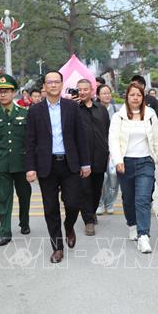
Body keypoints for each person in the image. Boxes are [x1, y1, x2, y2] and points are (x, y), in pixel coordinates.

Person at [25, 71, 90, 263]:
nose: (53, 85)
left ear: (62, 85)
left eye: (56, 82)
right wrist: (30, 167)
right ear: (44, 86)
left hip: (70, 164)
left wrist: (85, 163)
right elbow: (30, 141)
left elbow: (80, 136)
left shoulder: (72, 107)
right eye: (49, 82)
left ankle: (69, 226)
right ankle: (57, 247)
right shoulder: (35, 110)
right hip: (47, 165)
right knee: (50, 208)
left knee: (73, 203)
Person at [109, 82, 158, 253]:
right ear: (127, 96)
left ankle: (143, 236)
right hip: (125, 163)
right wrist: (118, 160)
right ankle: (132, 224)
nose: (135, 98)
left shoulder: (150, 115)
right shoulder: (118, 117)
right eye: (132, 94)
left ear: (143, 97)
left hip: (145, 162)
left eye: (139, 95)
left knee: (143, 199)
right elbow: (113, 140)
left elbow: (157, 138)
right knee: (128, 199)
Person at [0, 74, 32, 246]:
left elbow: (30, 141)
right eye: (0, 92)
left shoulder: (25, 113)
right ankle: (5, 232)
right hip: (2, 163)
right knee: (4, 198)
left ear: (14, 93)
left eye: (7, 91)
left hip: (22, 162)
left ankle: (24, 221)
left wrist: (32, 165)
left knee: (24, 195)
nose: (3, 94)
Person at [76, 79, 110, 236]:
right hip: (82, 158)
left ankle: (92, 211)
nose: (82, 92)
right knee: (84, 190)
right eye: (79, 89)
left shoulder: (101, 109)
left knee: (97, 189)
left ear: (91, 91)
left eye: (85, 89)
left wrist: (109, 151)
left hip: (100, 156)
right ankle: (88, 220)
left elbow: (108, 131)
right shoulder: (74, 109)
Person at [96, 84, 119, 215]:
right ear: (98, 96)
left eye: (108, 93)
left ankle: (110, 202)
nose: (107, 95)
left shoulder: (116, 109)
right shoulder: (95, 109)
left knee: (113, 176)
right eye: (103, 93)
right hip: (100, 148)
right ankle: (99, 202)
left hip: (114, 148)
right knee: (101, 177)